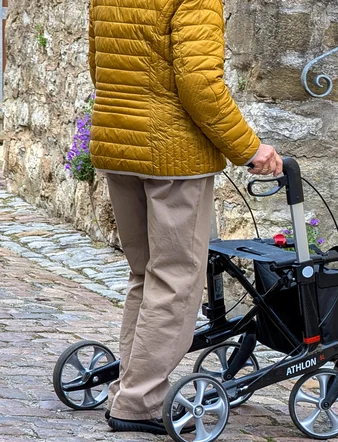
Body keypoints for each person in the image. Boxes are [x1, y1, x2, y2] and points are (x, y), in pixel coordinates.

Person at [87, 0, 283, 434]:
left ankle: (128, 391)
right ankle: (138, 403)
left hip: (118, 143)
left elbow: (98, 65)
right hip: (172, 157)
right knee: (175, 278)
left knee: (146, 275)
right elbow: (199, 84)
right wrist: (250, 149)